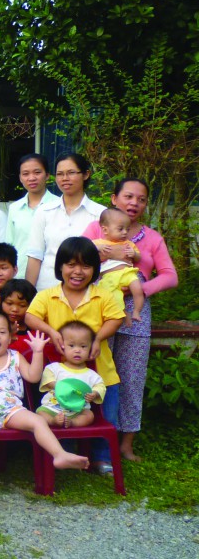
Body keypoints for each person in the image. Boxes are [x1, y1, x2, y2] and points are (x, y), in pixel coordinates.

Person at [80, 177, 177, 461]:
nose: (134, 203)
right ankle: (91, 436)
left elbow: (170, 275)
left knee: (132, 378)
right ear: (114, 198)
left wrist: (138, 290)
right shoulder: (97, 229)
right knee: (95, 371)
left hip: (136, 310)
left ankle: (126, 443)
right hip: (98, 305)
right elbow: (78, 260)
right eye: (128, 196)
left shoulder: (152, 238)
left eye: (141, 199)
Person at [24, 236, 125, 474]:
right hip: (62, 376)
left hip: (101, 372)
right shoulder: (48, 295)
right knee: (61, 414)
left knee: (106, 415)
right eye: (71, 264)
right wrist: (50, 330)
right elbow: (30, 317)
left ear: (95, 269)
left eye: (86, 266)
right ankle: (66, 454)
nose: (77, 271)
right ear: (60, 266)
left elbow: (116, 318)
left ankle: (101, 458)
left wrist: (98, 338)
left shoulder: (102, 294)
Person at [0, 311, 90, 473]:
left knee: (37, 421)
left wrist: (37, 352)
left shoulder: (16, 357)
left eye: (2, 332)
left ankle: (59, 454)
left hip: (10, 410)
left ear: (10, 336)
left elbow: (33, 377)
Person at [24, 152, 105, 290]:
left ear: (86, 174)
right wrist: (28, 295)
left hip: (88, 292)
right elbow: (35, 257)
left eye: (71, 173)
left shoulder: (101, 214)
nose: (65, 178)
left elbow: (105, 256)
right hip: (47, 290)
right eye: (60, 174)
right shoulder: (44, 211)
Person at [37, 321, 106, 428]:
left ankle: (72, 423)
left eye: (83, 346)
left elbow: (100, 386)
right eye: (71, 345)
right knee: (40, 413)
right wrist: (60, 387)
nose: (77, 350)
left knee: (89, 415)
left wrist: (94, 394)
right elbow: (48, 380)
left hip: (77, 410)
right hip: (53, 407)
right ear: (61, 346)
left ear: (90, 348)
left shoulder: (92, 375)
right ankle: (52, 420)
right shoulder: (54, 368)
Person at [5, 153, 58, 274]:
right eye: (25, 174)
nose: (32, 178)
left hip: (49, 276)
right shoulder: (14, 208)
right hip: (19, 275)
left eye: (37, 172)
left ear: (47, 175)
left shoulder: (58, 205)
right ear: (20, 178)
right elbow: (9, 244)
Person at [91, 208, 145, 322]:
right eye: (120, 229)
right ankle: (123, 313)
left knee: (138, 290)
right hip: (109, 277)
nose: (125, 232)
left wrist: (134, 254)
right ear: (105, 230)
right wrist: (98, 248)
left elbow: (139, 257)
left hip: (127, 273)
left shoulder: (128, 244)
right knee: (112, 297)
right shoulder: (99, 243)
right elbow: (86, 251)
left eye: (127, 229)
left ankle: (136, 311)